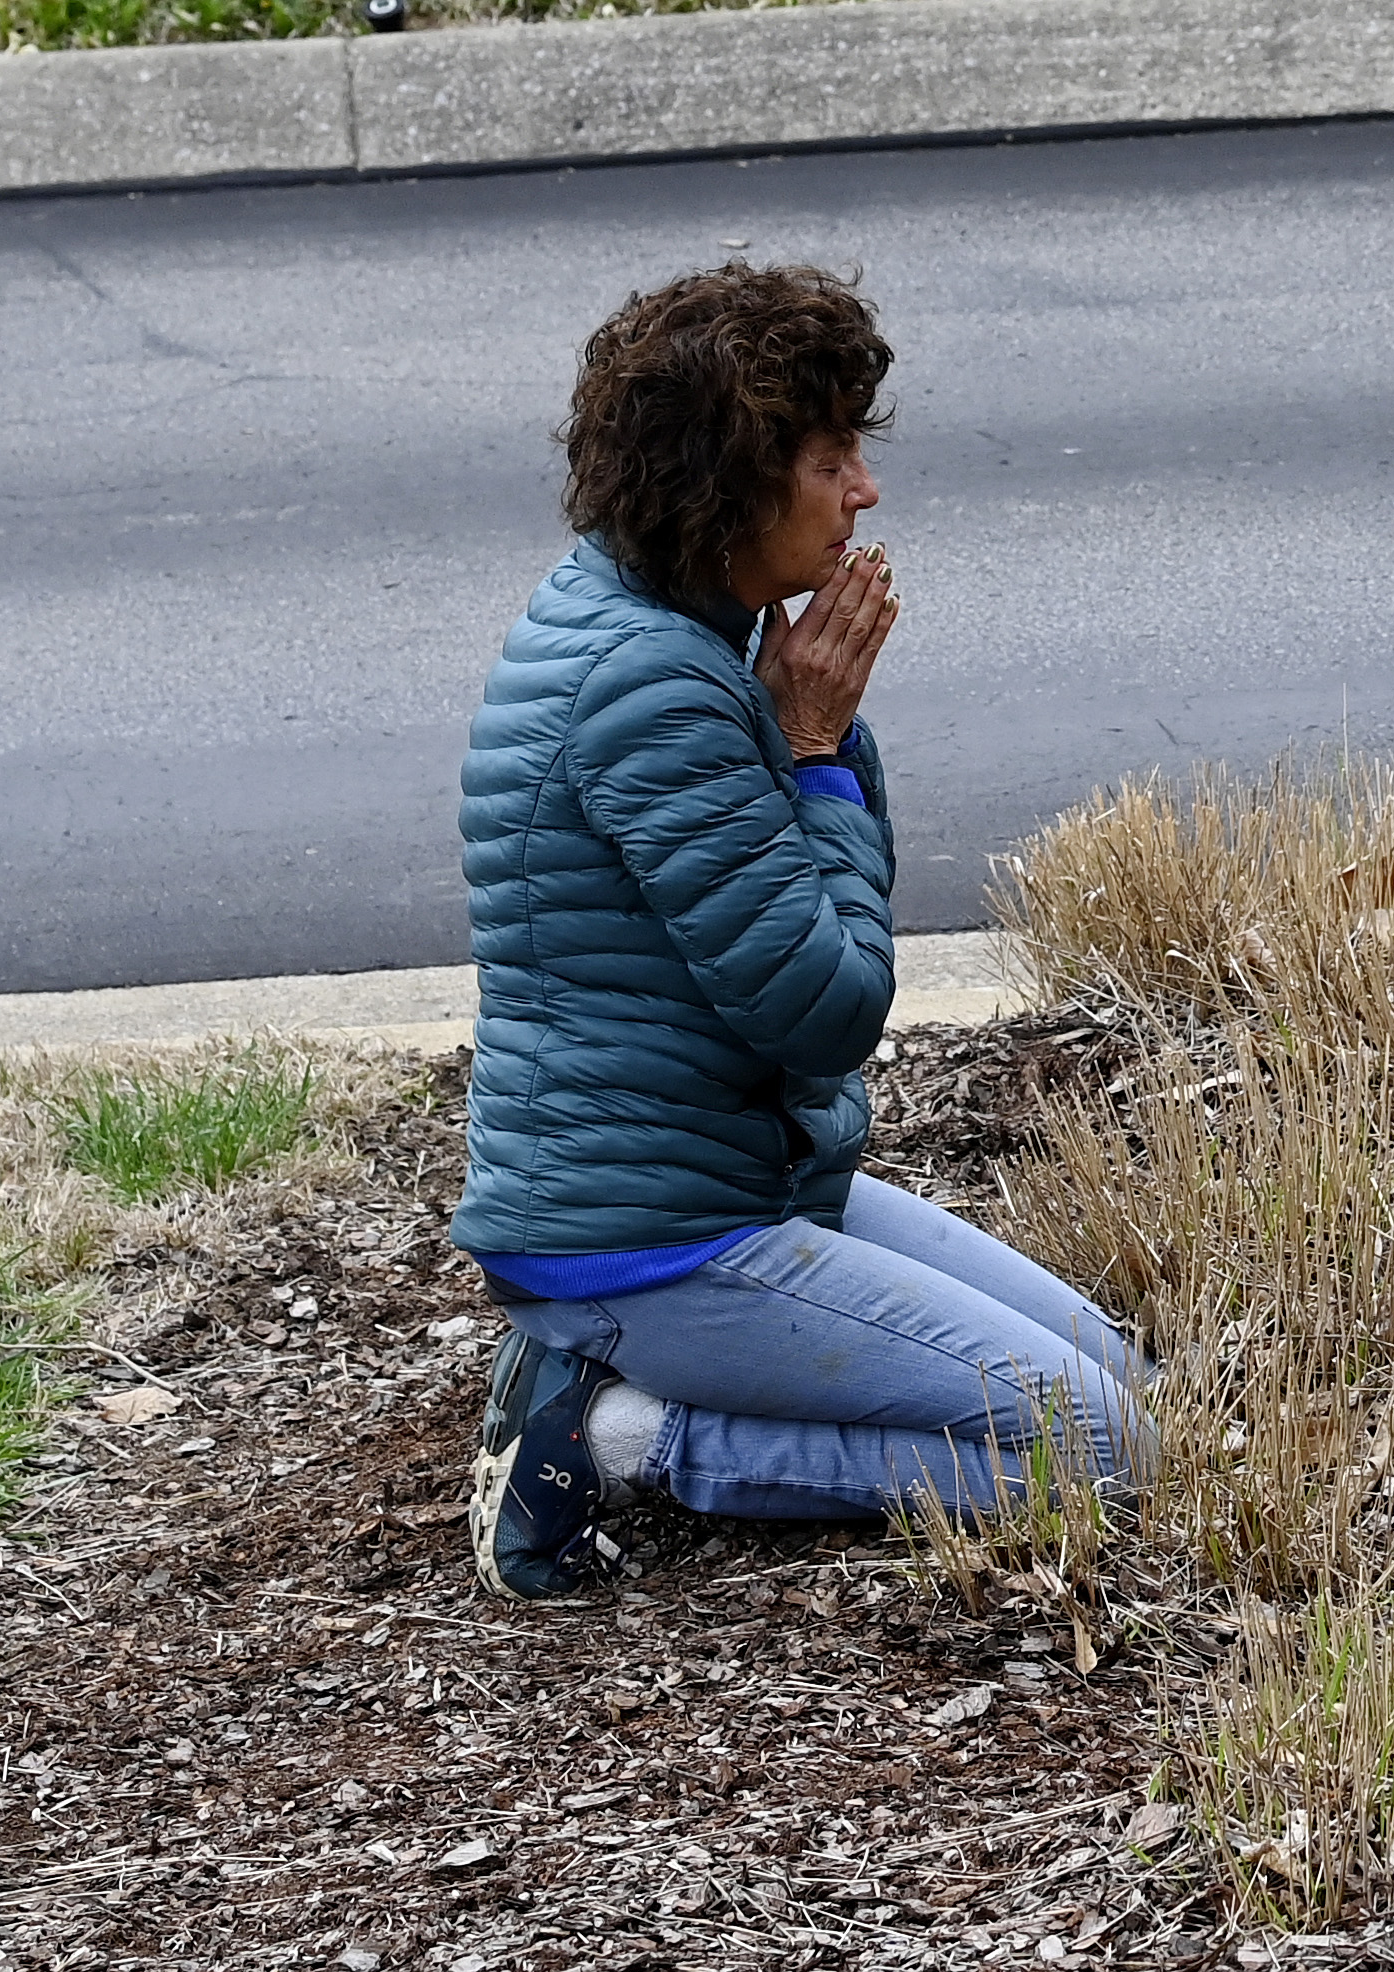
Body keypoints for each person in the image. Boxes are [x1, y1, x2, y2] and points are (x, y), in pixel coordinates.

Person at [454, 262, 1145, 1600]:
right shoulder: (652, 683)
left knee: (1118, 1374)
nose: (864, 488)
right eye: (828, 455)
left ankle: (599, 1371)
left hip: (726, 1185)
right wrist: (815, 741)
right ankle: (617, 1434)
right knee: (1104, 1452)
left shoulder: (667, 619)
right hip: (653, 1239)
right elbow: (825, 1007)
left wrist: (807, 733)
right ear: (728, 481)